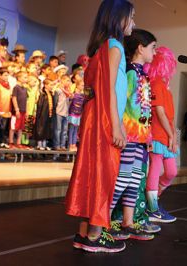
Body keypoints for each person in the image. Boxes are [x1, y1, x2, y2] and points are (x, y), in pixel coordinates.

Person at [65, 0, 135, 253]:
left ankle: (84, 233)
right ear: (118, 19)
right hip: (104, 117)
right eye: (131, 17)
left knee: (92, 172)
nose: (134, 23)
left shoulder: (100, 48)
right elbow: (108, 90)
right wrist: (117, 126)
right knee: (104, 173)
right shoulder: (115, 47)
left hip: (95, 116)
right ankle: (95, 236)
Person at [110, 29, 158, 241]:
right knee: (122, 178)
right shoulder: (130, 73)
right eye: (152, 48)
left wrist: (147, 136)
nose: (154, 53)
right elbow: (122, 102)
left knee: (135, 179)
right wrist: (119, 127)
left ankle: (127, 222)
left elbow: (144, 110)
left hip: (140, 139)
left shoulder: (143, 75)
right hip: (128, 137)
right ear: (140, 48)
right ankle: (103, 220)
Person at [144, 46, 178, 223]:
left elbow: (169, 115)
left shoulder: (165, 87)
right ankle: (152, 207)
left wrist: (173, 135)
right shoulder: (155, 83)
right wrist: (170, 135)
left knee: (171, 172)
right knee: (155, 170)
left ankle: (152, 200)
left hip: (167, 134)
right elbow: (160, 112)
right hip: (157, 134)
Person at [34, 79, 55, 150]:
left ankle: (44, 144)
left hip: (49, 113)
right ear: (45, 85)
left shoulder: (51, 94)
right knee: (41, 128)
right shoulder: (42, 94)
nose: (52, 86)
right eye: (50, 85)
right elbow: (40, 105)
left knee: (46, 128)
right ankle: (40, 144)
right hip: (42, 114)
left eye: (52, 85)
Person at [68, 80, 85, 152]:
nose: (83, 87)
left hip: (78, 115)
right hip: (72, 114)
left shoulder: (83, 95)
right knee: (71, 130)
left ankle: (74, 144)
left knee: (75, 131)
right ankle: (70, 144)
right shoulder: (73, 94)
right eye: (82, 85)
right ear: (77, 86)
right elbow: (69, 102)